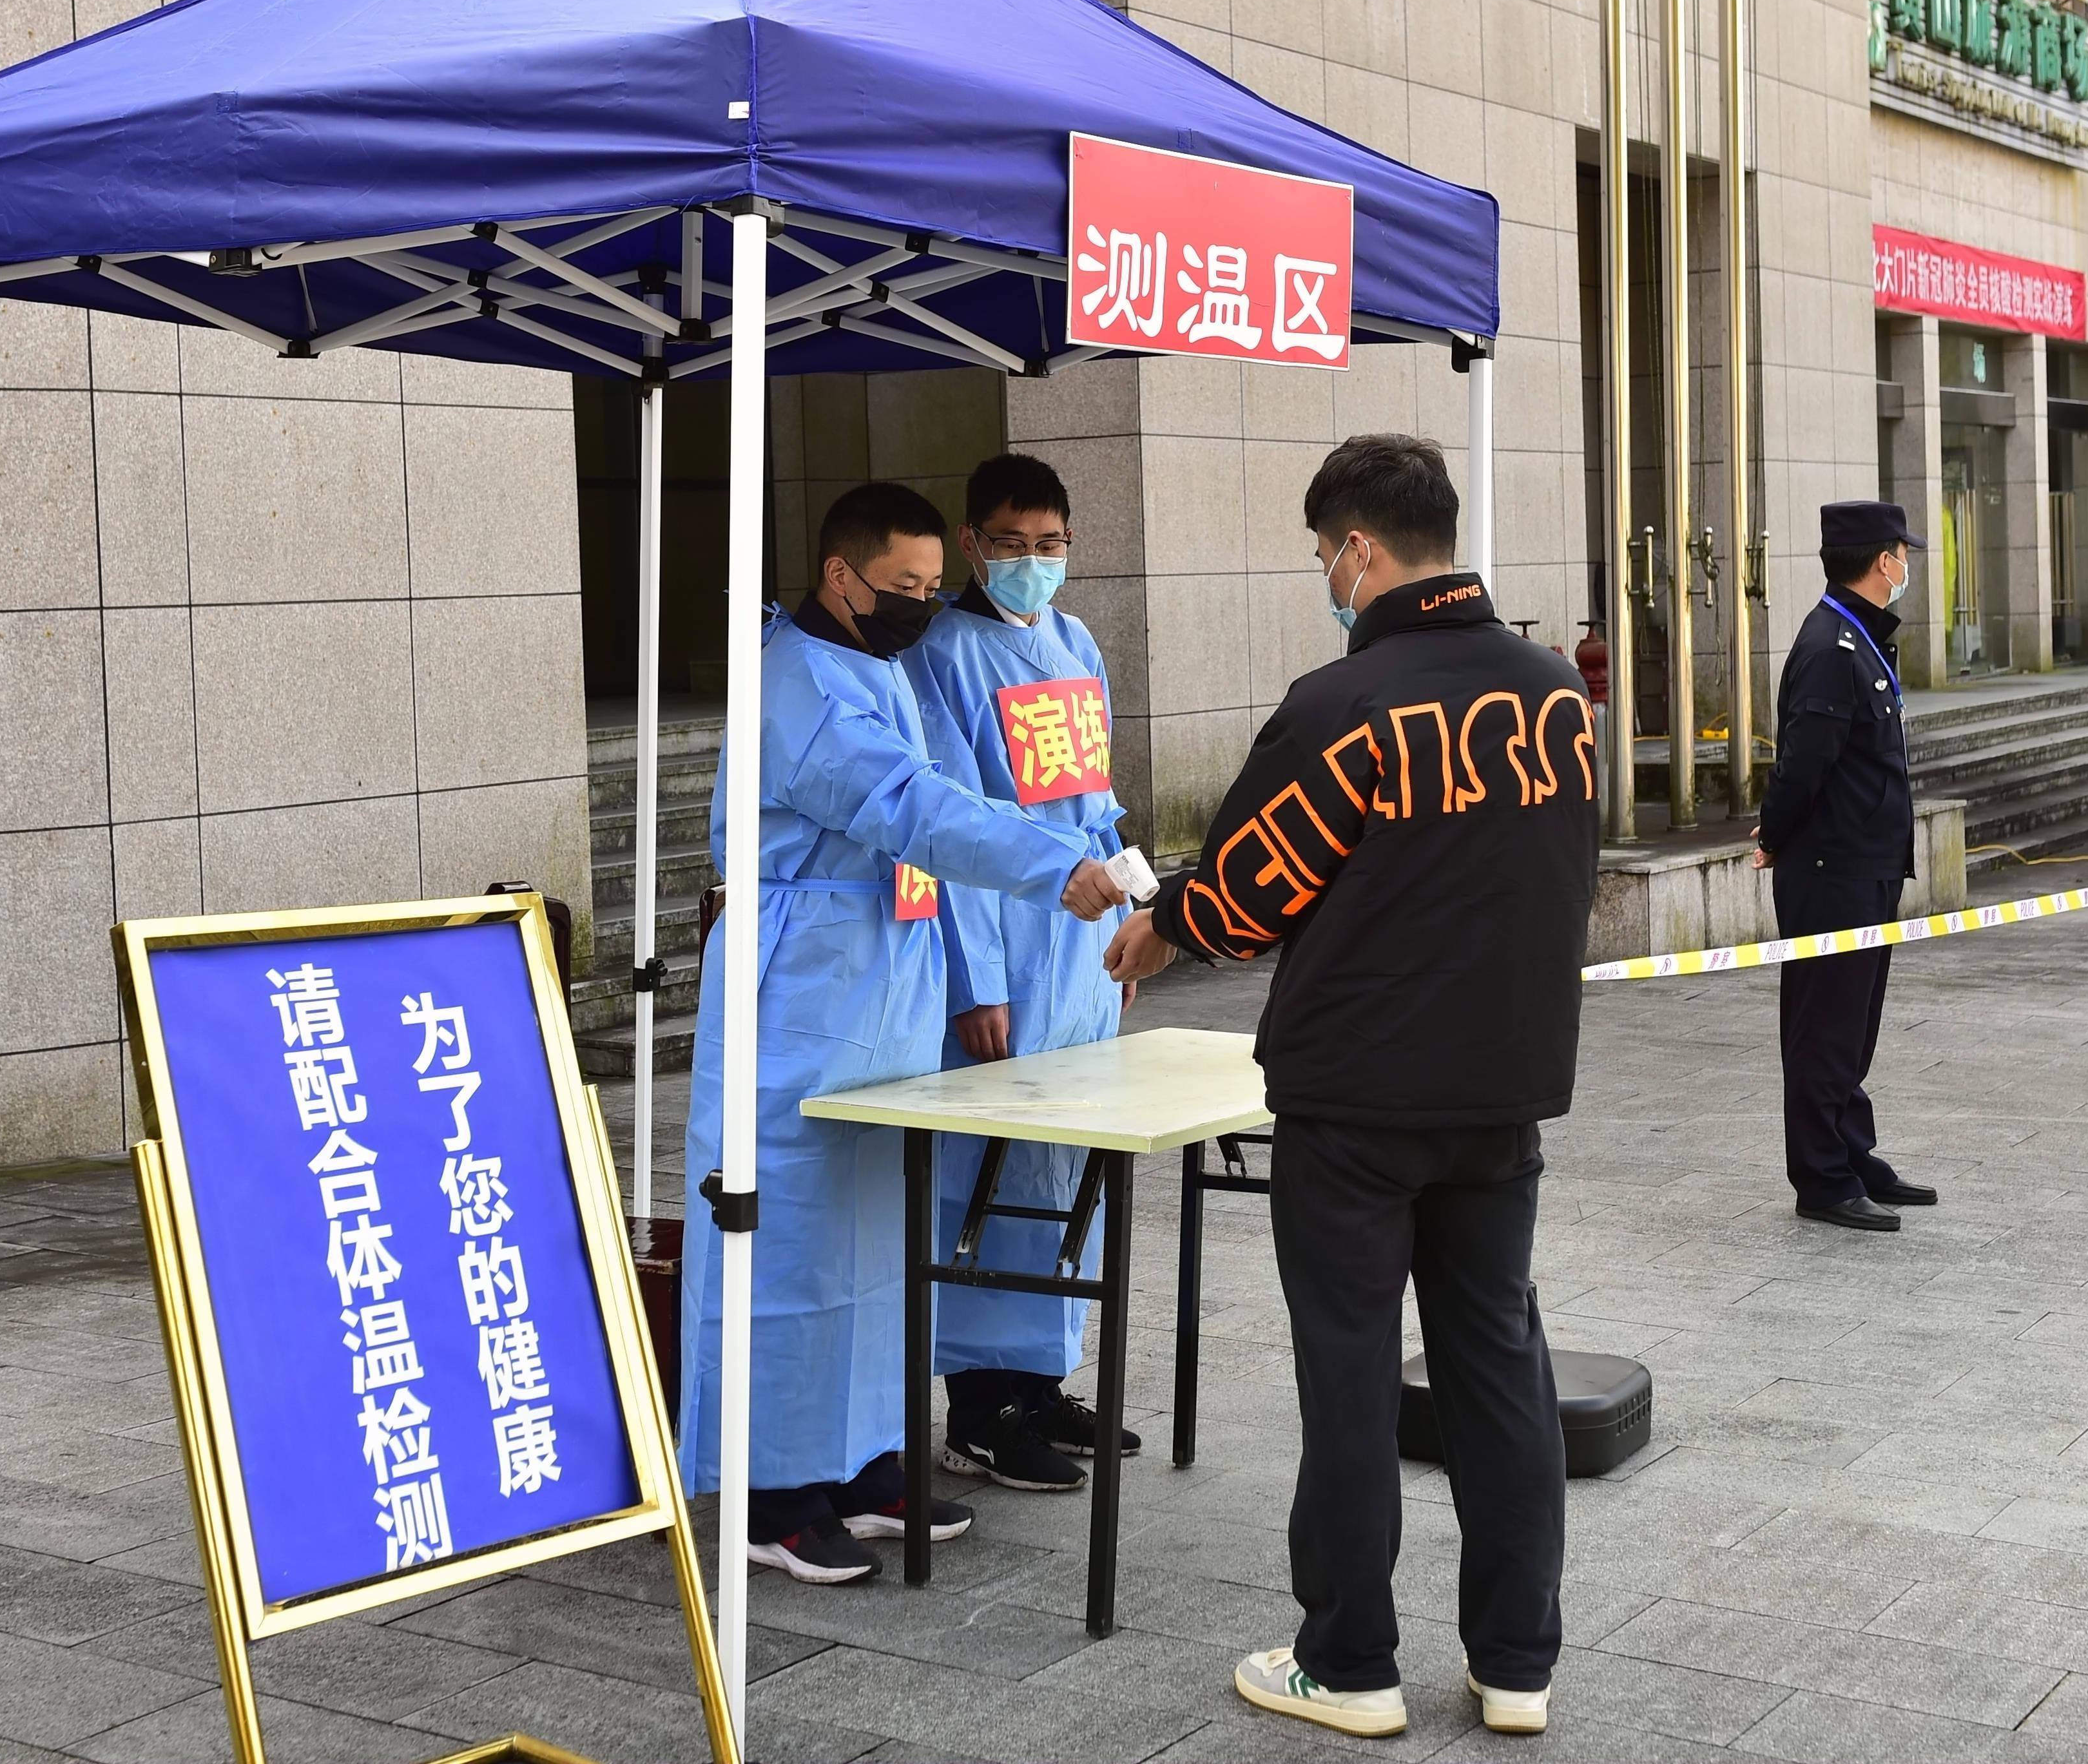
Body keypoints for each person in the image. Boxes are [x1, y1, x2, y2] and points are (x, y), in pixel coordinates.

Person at [1105, 434, 1596, 1743]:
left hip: (1357, 1100)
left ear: (1360, 550)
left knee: (1350, 1372)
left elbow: (1252, 887)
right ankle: (1515, 1663)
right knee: (1498, 1365)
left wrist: (1162, 924)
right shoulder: (1556, 698)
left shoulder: (1343, 702)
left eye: (1327, 554)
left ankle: (1350, 1661)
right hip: (1502, 1096)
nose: (1327, 575)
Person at [677, 481, 1128, 1587]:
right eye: (903, 587)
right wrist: (1049, 868)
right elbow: (909, 804)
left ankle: (865, 1462)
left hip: (881, 979)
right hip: (805, 986)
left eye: (932, 588)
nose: (922, 606)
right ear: (838, 574)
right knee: (784, 1241)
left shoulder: (873, 663)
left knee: (877, 1236)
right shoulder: (798, 680)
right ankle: (769, 1490)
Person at [898, 453, 1136, 1495]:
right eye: (1010, 545)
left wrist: (1132, 918)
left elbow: (1094, 802)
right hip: (1004, 951)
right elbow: (949, 829)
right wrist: (973, 979)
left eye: (1049, 546)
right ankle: (979, 1405)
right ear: (970, 544)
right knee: (988, 1177)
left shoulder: (1074, 641)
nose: (1032, 564)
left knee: (1060, 1174)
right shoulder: (942, 655)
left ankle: (1041, 1381)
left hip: (1080, 953)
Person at [1752, 502, 1937, 1234]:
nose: (1905, 565)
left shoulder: (1858, 639)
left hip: (1866, 865)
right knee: (1822, 1026)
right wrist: (1774, 830)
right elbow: (1803, 763)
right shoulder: (1832, 646)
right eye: (1901, 552)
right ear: (1878, 559)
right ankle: (1822, 1177)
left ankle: (1852, 1153)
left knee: (1852, 1024)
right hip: (1832, 870)